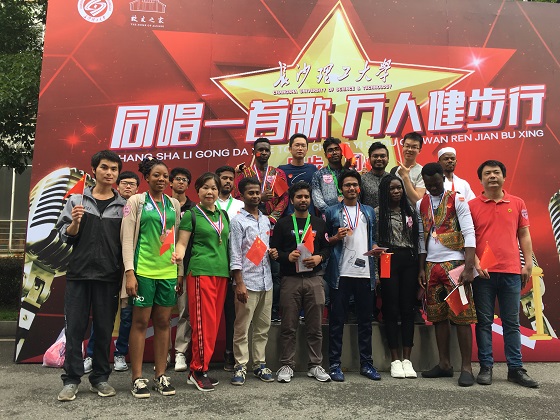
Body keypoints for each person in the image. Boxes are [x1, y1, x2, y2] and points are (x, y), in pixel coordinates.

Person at [56, 150, 126, 402]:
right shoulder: (76, 200)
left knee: (105, 330)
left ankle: (100, 378)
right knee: (74, 329)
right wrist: (75, 223)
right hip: (79, 275)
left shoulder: (124, 207)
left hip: (109, 276)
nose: (109, 173)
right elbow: (64, 236)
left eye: (114, 169)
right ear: (94, 170)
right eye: (104, 167)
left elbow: (128, 243)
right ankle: (71, 380)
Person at [469, 160, 539, 388]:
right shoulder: (471, 205)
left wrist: (527, 264)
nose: (492, 176)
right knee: (484, 322)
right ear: (480, 179)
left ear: (504, 177)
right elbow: (467, 238)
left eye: (496, 172)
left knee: (511, 323)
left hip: (511, 272)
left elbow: (524, 234)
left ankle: (515, 369)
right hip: (483, 275)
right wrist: (476, 263)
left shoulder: (517, 203)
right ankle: (486, 367)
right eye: (487, 173)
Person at [121, 157, 182, 398]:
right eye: (156, 175)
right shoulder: (136, 201)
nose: (162, 179)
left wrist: (179, 272)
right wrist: (130, 272)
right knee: (139, 323)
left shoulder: (173, 204)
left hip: (167, 272)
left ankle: (160, 375)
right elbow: (127, 238)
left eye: (165, 176)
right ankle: (137, 377)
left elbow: (176, 239)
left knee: (164, 323)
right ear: (146, 177)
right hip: (143, 270)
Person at [417, 163, 477, 387]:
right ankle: (444, 364)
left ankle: (466, 368)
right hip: (431, 266)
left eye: (436, 183)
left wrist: (469, 267)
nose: (432, 188)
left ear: (443, 178)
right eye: (428, 184)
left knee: (461, 316)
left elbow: (469, 232)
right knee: (438, 316)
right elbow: (421, 237)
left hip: (455, 265)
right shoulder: (420, 203)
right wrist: (421, 268)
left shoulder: (457, 199)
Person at [173, 172, 230, 392]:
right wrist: (178, 254)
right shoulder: (191, 215)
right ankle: (197, 370)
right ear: (197, 190)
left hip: (221, 273)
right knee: (202, 323)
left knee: (213, 325)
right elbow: (182, 243)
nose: (210, 192)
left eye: (214, 188)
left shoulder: (223, 215)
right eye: (205, 187)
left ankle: (200, 369)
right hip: (200, 273)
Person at [270, 181, 332, 383]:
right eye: (299, 197)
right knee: (288, 326)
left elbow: (327, 248)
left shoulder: (319, 223)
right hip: (290, 280)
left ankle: (315, 365)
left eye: (306, 196)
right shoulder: (283, 224)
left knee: (315, 326)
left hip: (314, 279)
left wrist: (319, 258)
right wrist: (286, 257)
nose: (303, 200)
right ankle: (287, 365)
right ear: (292, 200)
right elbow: (274, 251)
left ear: (310, 199)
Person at [324, 170, 382, 382]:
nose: (351, 188)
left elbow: (372, 237)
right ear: (341, 188)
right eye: (347, 185)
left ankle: (366, 364)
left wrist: (374, 247)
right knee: (337, 321)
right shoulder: (332, 211)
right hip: (340, 273)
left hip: (364, 273)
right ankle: (334, 364)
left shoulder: (368, 211)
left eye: (354, 185)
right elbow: (324, 241)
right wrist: (334, 238)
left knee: (365, 322)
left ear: (359, 188)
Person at [84, 171, 140, 374]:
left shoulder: (140, 208)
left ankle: (120, 354)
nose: (128, 187)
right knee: (101, 315)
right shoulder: (110, 205)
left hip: (129, 269)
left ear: (138, 188)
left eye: (132, 184)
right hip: (106, 268)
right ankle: (91, 355)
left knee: (127, 315)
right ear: (117, 185)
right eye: (124, 183)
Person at [235, 137, 288, 323]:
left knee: (275, 271)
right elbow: (236, 196)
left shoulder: (277, 173)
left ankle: (273, 311)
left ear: (270, 152)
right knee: (251, 264)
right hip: (249, 226)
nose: (263, 153)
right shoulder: (245, 173)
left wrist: (272, 218)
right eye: (260, 150)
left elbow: (285, 198)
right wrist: (259, 198)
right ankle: (250, 309)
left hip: (271, 229)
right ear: (254, 152)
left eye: (266, 150)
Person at [229, 177, 276, 385]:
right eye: (251, 193)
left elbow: (263, 248)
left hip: (267, 281)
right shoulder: (237, 221)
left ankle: (259, 364)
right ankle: (240, 366)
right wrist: (239, 283)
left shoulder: (265, 220)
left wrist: (272, 253)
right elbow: (235, 254)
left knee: (262, 327)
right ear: (242, 195)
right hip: (247, 282)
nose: (255, 196)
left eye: (257, 192)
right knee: (242, 328)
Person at [375, 175, 419, 379]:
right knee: (391, 308)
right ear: (385, 191)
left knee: (407, 308)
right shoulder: (377, 213)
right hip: (387, 259)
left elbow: (417, 240)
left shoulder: (410, 211)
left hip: (409, 260)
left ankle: (407, 360)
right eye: (392, 188)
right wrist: (376, 273)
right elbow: (374, 243)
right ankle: (395, 359)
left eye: (399, 188)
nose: (396, 191)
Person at [215, 165, 244, 372]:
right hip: (215, 264)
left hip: (236, 266)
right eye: (223, 177)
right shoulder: (207, 204)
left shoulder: (241, 205)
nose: (227, 181)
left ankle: (231, 353)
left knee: (233, 313)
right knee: (212, 312)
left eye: (230, 178)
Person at [170, 167, 196, 373]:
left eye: (185, 179)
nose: (181, 182)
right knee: (159, 313)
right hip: (159, 265)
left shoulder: (194, 209)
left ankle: (180, 351)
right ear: (170, 182)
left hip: (185, 267)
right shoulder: (162, 205)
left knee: (184, 311)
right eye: (178, 179)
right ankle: (162, 353)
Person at [278, 133, 318, 216]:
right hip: (288, 216)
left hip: (309, 215)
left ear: (307, 149)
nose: (300, 148)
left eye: (303, 146)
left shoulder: (313, 169)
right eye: (297, 145)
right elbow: (280, 196)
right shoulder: (281, 170)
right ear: (290, 149)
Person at [312, 137, 344, 215]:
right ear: (326, 155)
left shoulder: (349, 173)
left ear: (342, 152)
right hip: (328, 216)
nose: (334, 152)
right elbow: (317, 199)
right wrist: (330, 213)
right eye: (330, 150)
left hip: (349, 216)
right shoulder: (318, 174)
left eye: (337, 149)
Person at [391, 132, 425, 204]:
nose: (409, 149)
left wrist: (405, 177)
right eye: (407, 146)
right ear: (403, 147)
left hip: (413, 211)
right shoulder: (395, 170)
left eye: (414, 147)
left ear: (419, 150)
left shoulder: (422, 172)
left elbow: (417, 201)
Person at [361, 142, 390, 209]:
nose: (379, 159)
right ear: (369, 159)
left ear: (388, 159)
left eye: (382, 156)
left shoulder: (392, 179)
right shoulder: (362, 180)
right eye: (375, 156)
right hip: (368, 215)